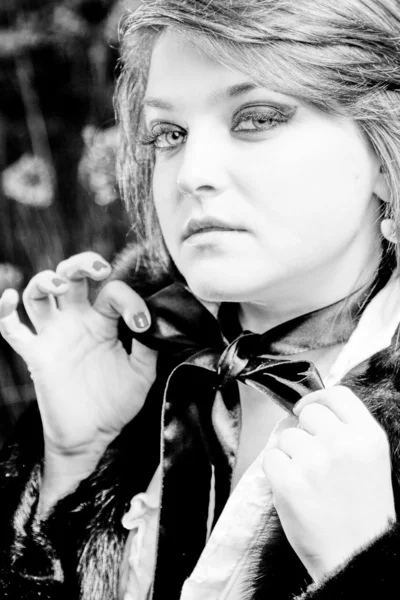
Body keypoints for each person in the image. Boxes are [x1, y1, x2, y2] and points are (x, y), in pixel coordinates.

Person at [0, 0, 400, 598]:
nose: (190, 173)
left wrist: (366, 566)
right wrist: (71, 462)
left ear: (384, 152)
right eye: (169, 134)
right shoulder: (139, 355)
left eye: (257, 118)